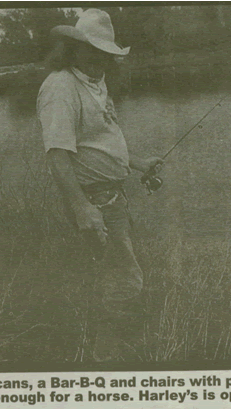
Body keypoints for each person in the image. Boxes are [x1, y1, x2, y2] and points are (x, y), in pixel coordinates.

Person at [37, 9, 163, 361]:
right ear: (71, 49)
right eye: (92, 50)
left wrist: (138, 163)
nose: (101, 58)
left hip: (111, 197)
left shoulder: (94, 80)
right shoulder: (61, 89)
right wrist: (82, 208)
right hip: (94, 201)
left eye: (105, 52)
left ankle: (105, 348)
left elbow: (100, 139)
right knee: (123, 280)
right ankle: (108, 360)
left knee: (109, 274)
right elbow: (57, 156)